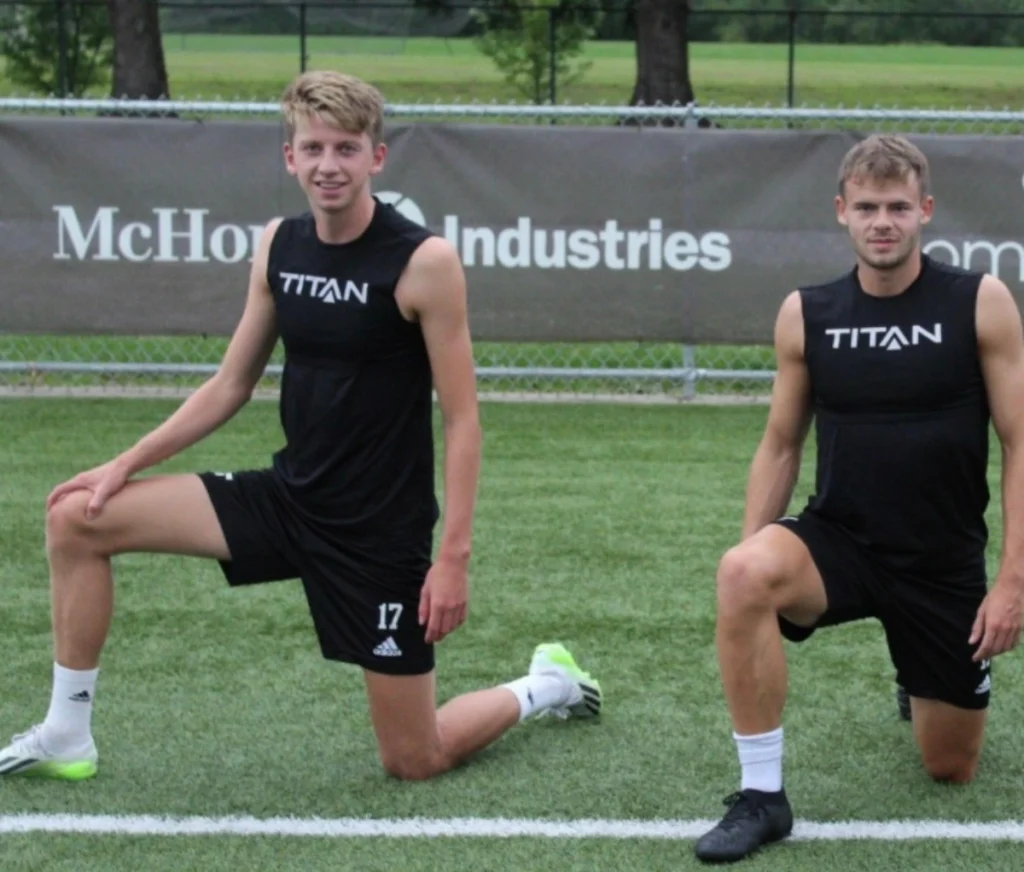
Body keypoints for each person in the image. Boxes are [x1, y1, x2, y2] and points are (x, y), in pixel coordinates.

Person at [0, 70, 601, 783]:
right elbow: (231, 384)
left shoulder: (424, 262)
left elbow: (462, 418)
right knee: (76, 518)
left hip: (378, 534)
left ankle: (547, 684)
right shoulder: (278, 245)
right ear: (290, 158)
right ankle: (66, 733)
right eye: (313, 148)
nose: (328, 165)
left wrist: (453, 558)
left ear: (377, 157)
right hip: (288, 500)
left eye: (347, 149)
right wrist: (124, 463)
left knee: (415, 759)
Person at [694, 133, 1024, 863]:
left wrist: (1011, 581)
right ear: (841, 211)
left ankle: (922, 680)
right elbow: (781, 443)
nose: (883, 222)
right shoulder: (806, 312)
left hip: (941, 563)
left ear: (925, 211)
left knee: (949, 767)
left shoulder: (979, 302)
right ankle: (762, 796)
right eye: (868, 207)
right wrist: (750, 551)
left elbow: (1019, 441)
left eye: (898, 207)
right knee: (743, 572)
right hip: (839, 541)